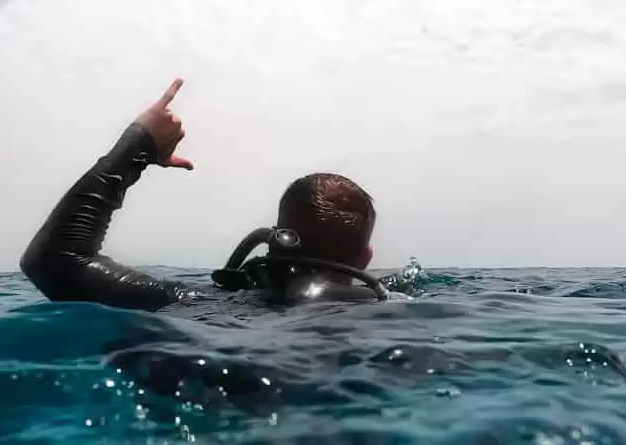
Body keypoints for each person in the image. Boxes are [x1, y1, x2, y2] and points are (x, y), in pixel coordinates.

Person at [20, 78, 384, 312]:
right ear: (365, 257)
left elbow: (56, 262)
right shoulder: (391, 309)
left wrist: (138, 146)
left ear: (274, 240)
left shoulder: (205, 304)